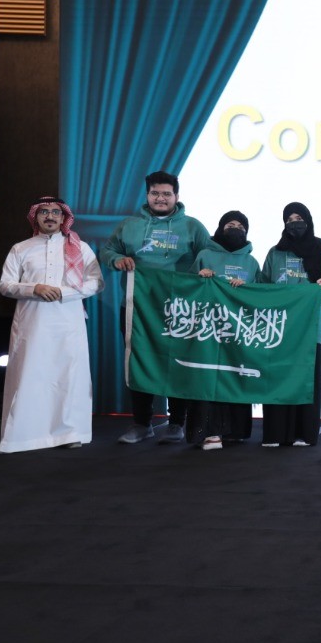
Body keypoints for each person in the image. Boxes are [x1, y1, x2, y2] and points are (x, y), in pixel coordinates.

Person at [100, 170, 211, 444]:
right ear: (147, 195)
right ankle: (142, 423)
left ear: (176, 196)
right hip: (137, 307)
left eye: (166, 194)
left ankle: (176, 423)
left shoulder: (193, 227)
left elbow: (210, 256)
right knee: (139, 362)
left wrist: (206, 269)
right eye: (155, 193)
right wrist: (116, 260)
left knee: (178, 363)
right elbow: (107, 250)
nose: (160, 198)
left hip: (180, 309)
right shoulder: (129, 225)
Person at [0, 197, 104, 453]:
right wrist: (34, 288)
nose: (50, 216)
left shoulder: (80, 248)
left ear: (64, 218)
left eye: (56, 212)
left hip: (69, 323)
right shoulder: (21, 249)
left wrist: (64, 292)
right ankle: (25, 436)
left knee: (69, 377)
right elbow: (5, 285)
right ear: (35, 217)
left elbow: (96, 282)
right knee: (31, 376)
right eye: (44, 212)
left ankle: (70, 433)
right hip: (32, 324)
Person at [259, 202, 321, 448]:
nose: (294, 223)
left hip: (308, 330)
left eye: (299, 219)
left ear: (308, 220)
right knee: (276, 378)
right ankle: (274, 434)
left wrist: (306, 305)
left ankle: (304, 434)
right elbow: (263, 287)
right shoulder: (275, 253)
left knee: (305, 381)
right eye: (289, 220)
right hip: (278, 330)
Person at [187, 210, 261, 451]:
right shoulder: (205, 255)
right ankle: (208, 432)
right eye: (230, 224)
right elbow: (187, 288)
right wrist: (199, 276)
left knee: (236, 375)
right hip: (207, 330)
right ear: (220, 228)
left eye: (240, 226)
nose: (235, 228)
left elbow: (261, 294)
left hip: (239, 331)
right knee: (208, 376)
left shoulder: (251, 262)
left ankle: (236, 431)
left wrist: (246, 287)